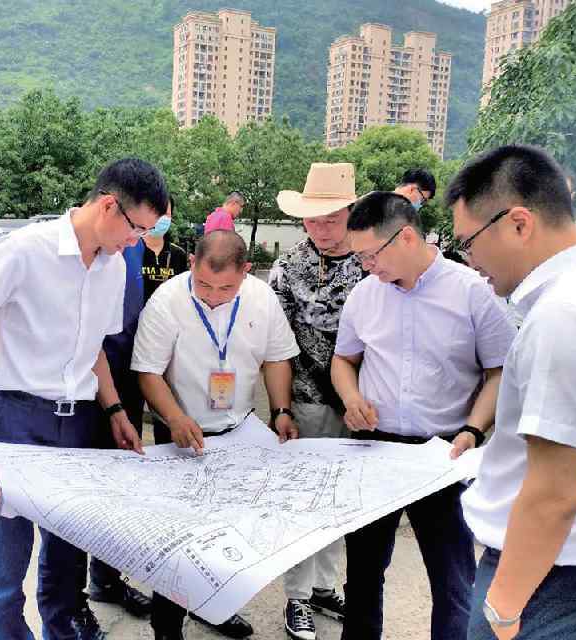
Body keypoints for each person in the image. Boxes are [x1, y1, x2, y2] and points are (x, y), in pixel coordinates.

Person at [0, 158, 169, 640]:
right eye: (136, 228)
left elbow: (93, 347)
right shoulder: (24, 251)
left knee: (67, 556)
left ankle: (63, 630)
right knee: (8, 560)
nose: (136, 242)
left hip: (79, 424)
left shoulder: (114, 267)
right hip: (18, 420)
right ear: (109, 206)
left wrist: (114, 410)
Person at [446, 145, 576, 640]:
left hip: (557, 581)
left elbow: (553, 495)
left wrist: (501, 606)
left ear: (519, 223)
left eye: (470, 242)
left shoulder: (566, 316)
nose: (471, 261)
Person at [330, 191, 517, 640]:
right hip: (375, 448)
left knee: (452, 578)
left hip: (445, 453)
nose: (365, 266)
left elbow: (500, 370)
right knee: (364, 571)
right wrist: (351, 397)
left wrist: (474, 428)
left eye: (370, 255)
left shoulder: (472, 291)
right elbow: (343, 361)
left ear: (406, 237)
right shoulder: (364, 295)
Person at [132, 230, 301, 640]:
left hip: (240, 430)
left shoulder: (261, 298)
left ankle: (215, 608)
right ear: (192, 264)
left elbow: (277, 358)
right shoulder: (167, 302)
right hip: (182, 435)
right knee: (176, 538)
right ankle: (166, 626)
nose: (212, 295)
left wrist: (280, 410)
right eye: (204, 284)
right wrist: (173, 417)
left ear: (246, 272)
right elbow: (148, 371)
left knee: (228, 534)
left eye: (226, 287)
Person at [269, 163, 363, 640]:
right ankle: (297, 597)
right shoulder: (288, 267)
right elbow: (276, 346)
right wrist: (281, 408)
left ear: (351, 212)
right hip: (306, 401)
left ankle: (325, 586)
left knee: (343, 502)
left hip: (364, 407)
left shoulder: (372, 262)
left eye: (331, 218)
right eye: (312, 219)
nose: (321, 228)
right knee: (303, 501)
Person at [86, 206, 153, 618]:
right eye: (137, 225)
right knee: (88, 491)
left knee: (118, 485)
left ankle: (107, 577)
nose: (136, 236)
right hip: (90, 380)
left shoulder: (134, 247)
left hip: (127, 376)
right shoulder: (92, 247)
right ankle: (84, 588)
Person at [141, 196, 189, 302]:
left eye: (166, 214)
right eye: (157, 212)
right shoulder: (130, 250)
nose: (161, 218)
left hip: (164, 316)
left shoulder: (178, 254)